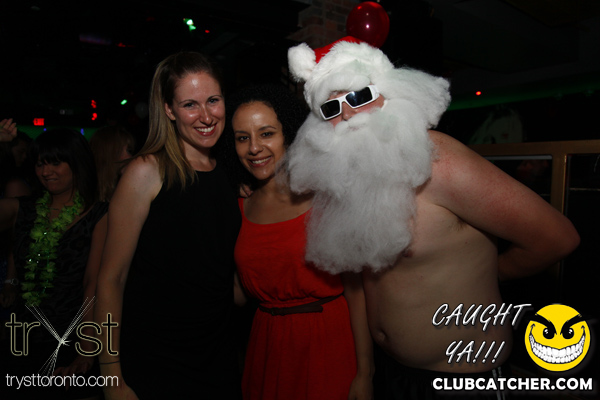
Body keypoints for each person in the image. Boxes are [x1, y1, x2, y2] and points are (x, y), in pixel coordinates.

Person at [285, 37, 580, 399]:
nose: (346, 115)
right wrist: (366, 370)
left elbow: (557, 238)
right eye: (331, 108)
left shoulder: (440, 161)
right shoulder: (347, 178)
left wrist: (494, 272)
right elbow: (358, 280)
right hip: (392, 374)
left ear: (390, 92)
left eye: (359, 96)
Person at [94, 51, 242, 400]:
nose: (206, 116)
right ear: (169, 110)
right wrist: (111, 377)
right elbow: (111, 280)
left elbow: (223, 278)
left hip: (219, 360)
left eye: (213, 100)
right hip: (157, 363)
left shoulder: (229, 173)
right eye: (190, 104)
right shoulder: (147, 171)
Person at [222, 84, 373, 400]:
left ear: (288, 135)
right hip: (265, 347)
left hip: (327, 344)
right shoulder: (238, 208)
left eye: (266, 134)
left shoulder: (324, 197)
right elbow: (236, 292)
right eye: (242, 138)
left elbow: (356, 291)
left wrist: (365, 372)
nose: (254, 148)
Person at [0, 128, 108, 399]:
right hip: (21, 338)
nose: (46, 172)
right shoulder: (22, 209)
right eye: (40, 164)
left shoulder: (98, 214)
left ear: (77, 163)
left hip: (69, 339)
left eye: (55, 163)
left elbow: (92, 284)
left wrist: (87, 349)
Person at [89, 125, 136, 201]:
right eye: (128, 151)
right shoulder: (85, 190)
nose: (130, 157)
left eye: (130, 151)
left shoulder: (125, 187)